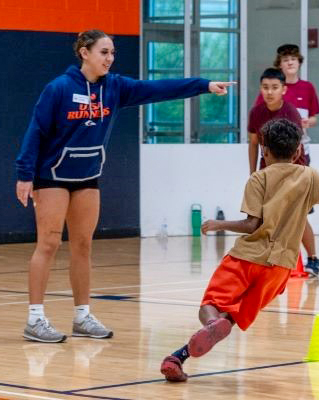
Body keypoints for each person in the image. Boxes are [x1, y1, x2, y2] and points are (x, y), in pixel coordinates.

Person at [15, 29, 234, 343]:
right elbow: (35, 131)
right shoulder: (59, 89)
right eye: (104, 52)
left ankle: (82, 315)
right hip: (52, 177)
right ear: (84, 53)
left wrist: (203, 85)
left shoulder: (115, 87)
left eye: (113, 53)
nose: (110, 58)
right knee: (48, 244)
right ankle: (35, 318)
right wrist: (25, 175)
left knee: (83, 245)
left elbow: (156, 88)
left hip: (87, 176)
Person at [160, 118, 319, 382]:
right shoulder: (309, 175)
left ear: (264, 151)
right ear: (298, 152)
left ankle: (209, 325)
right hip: (280, 268)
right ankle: (179, 356)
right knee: (232, 317)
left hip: (247, 258)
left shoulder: (258, 179)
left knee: (212, 306)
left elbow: (251, 224)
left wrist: (219, 223)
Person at [254, 44, 319, 276]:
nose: (270, 91)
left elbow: (311, 120)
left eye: (274, 88)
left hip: (296, 163)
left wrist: (294, 171)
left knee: (298, 216)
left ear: (282, 89)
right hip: (270, 167)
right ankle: (274, 259)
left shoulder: (298, 100)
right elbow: (254, 138)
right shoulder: (260, 107)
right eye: (266, 88)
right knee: (270, 217)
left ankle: (312, 259)